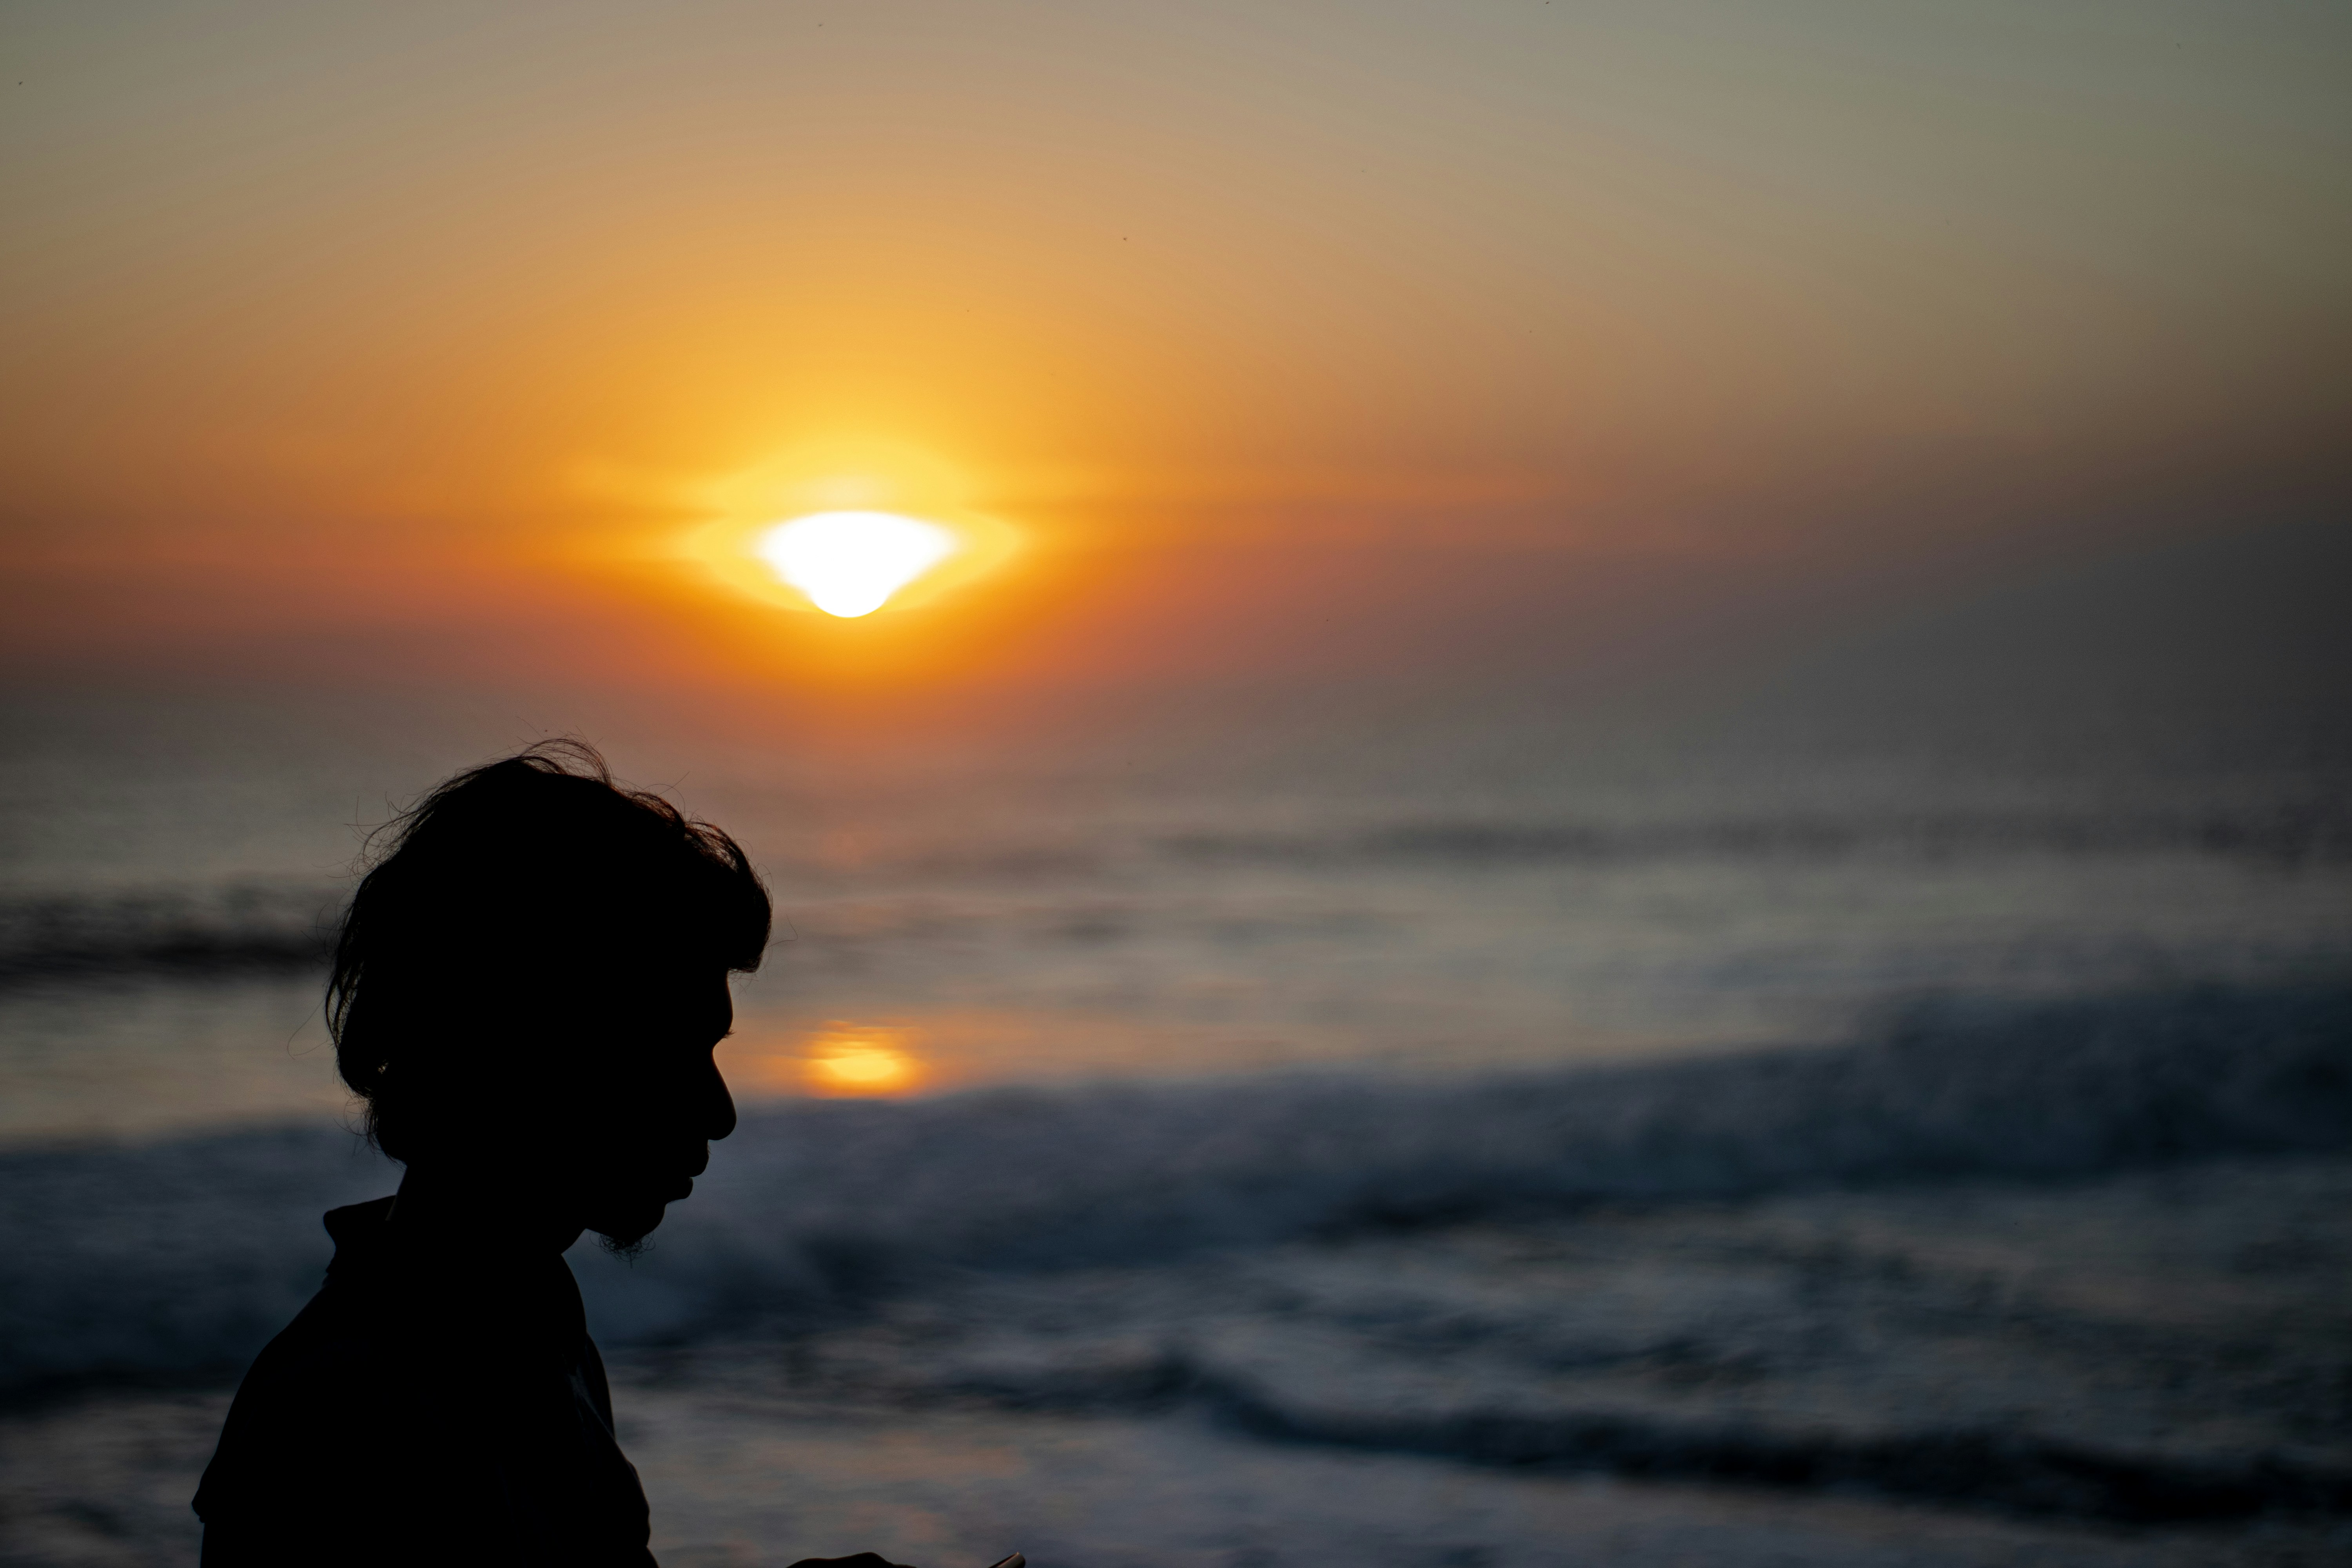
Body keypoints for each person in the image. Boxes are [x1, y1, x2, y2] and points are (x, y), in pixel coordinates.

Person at [192, 741, 908, 1568]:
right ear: (531, 1050)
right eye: (670, 1053)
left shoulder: (528, 1322)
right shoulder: (349, 1418)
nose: (719, 1114)